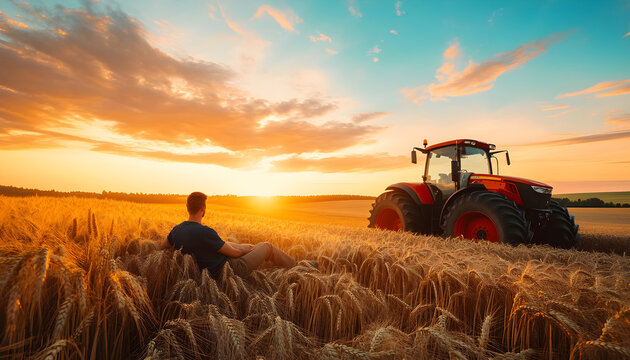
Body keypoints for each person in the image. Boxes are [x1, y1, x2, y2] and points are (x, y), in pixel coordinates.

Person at [163, 191, 299, 278]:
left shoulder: (176, 230)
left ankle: (280, 267)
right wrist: (244, 250)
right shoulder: (205, 231)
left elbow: (163, 246)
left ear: (187, 207)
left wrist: (241, 246)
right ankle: (297, 266)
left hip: (210, 271)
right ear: (203, 209)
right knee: (267, 246)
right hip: (231, 269)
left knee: (254, 249)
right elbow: (234, 254)